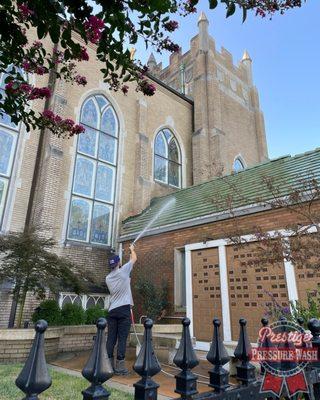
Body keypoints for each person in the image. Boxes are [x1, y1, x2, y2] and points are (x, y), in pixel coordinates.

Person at [105, 244, 137, 375]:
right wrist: (132, 250)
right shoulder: (123, 271)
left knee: (111, 338)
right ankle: (120, 367)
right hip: (123, 310)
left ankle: (107, 365)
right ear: (118, 263)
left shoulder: (108, 278)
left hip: (112, 310)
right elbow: (134, 259)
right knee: (122, 338)